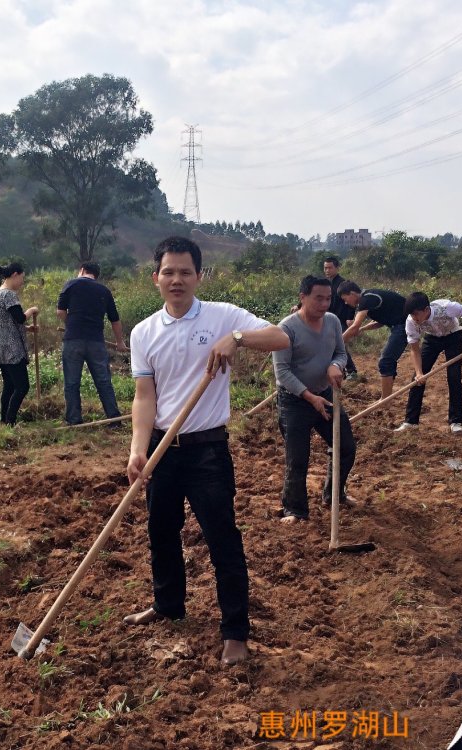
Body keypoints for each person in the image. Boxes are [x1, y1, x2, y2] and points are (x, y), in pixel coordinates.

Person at [123, 236, 289, 667]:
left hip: (207, 450)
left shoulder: (222, 317)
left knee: (222, 540)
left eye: (185, 272)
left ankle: (235, 631)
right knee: (161, 533)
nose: (176, 279)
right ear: (155, 277)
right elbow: (145, 396)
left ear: (199, 275)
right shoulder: (144, 332)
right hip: (162, 448)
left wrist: (237, 338)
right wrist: (138, 450)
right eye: (168, 272)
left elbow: (280, 338)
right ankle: (167, 606)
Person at [273, 275, 356, 523]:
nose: (324, 304)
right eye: (318, 298)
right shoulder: (286, 329)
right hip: (295, 401)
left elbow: (341, 353)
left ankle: (334, 494)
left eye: (328, 298)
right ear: (302, 297)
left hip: (326, 395)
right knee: (297, 458)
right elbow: (283, 372)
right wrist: (309, 397)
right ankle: (294, 510)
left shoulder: (332, 322)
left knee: (346, 447)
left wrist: (335, 365)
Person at [57, 262, 127, 425]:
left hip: (73, 340)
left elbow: (60, 312)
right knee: (103, 381)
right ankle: (114, 420)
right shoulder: (104, 291)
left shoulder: (71, 284)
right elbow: (115, 320)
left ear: (82, 271)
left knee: (72, 382)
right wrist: (120, 342)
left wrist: (72, 323)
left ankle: (74, 421)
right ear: (96, 275)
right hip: (96, 341)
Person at [394, 292, 462, 433]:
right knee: (417, 379)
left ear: (426, 310)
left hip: (453, 336)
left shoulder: (447, 307)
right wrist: (420, 372)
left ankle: (456, 421)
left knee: (454, 376)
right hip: (432, 339)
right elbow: (415, 350)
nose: (414, 318)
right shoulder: (411, 321)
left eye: (416, 314)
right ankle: (411, 421)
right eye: (411, 315)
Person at [339, 281, 407, 399]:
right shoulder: (369, 298)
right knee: (387, 361)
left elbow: (354, 326)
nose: (346, 302)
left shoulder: (367, 299)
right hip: (400, 325)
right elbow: (380, 322)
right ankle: (387, 397)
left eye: (345, 299)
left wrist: (337, 344)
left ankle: (385, 400)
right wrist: (362, 329)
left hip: (405, 325)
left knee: (385, 360)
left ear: (352, 293)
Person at [0, 262, 38, 426]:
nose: (22, 282)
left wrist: (27, 329)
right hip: (11, 350)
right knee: (22, 386)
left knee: (9, 386)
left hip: (0, 348)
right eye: (22, 278)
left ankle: (4, 421)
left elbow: (8, 323)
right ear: (15, 275)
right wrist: (31, 311)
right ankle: (10, 421)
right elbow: (19, 317)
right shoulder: (8, 294)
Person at [323, 256, 358, 379]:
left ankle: (351, 370)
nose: (327, 270)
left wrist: (350, 317)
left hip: (341, 320)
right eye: (325, 268)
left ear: (337, 268)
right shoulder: (325, 284)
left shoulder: (343, 284)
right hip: (327, 319)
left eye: (330, 267)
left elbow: (352, 302)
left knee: (339, 345)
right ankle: (340, 370)